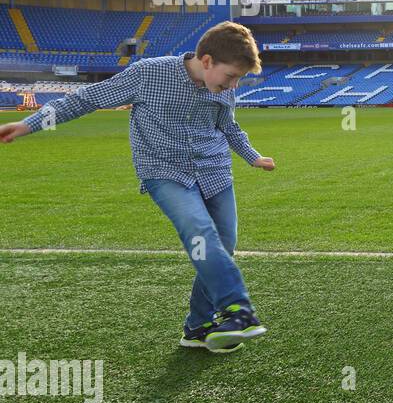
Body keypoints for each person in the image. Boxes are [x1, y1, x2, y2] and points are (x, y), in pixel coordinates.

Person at [0, 21, 276, 353]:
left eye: (238, 79)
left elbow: (228, 127)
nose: (233, 84)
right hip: (164, 172)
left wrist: (252, 156)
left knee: (223, 245)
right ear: (206, 61)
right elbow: (86, 99)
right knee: (199, 231)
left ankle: (198, 327)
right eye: (231, 76)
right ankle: (237, 309)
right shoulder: (148, 74)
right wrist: (29, 124)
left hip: (214, 171)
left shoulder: (223, 88)